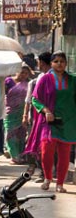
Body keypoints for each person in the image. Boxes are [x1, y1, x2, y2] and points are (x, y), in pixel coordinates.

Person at [25, 52, 76, 193]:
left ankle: (60, 184)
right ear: (52, 63)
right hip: (49, 121)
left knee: (64, 154)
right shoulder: (45, 79)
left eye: (62, 61)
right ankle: (47, 178)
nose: (59, 64)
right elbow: (35, 99)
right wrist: (46, 111)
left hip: (68, 121)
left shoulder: (72, 80)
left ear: (66, 63)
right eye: (56, 61)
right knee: (47, 152)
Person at [24, 52, 52, 181]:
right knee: (40, 144)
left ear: (41, 62)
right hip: (40, 115)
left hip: (49, 115)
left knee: (46, 144)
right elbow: (32, 99)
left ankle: (45, 173)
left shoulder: (51, 77)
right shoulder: (39, 78)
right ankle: (43, 172)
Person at [4, 65, 32, 164]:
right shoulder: (8, 81)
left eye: (26, 73)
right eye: (22, 72)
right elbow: (3, 94)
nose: (23, 75)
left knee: (21, 134)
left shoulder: (28, 84)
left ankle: (21, 156)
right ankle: (14, 156)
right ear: (17, 71)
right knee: (10, 134)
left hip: (22, 112)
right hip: (10, 112)